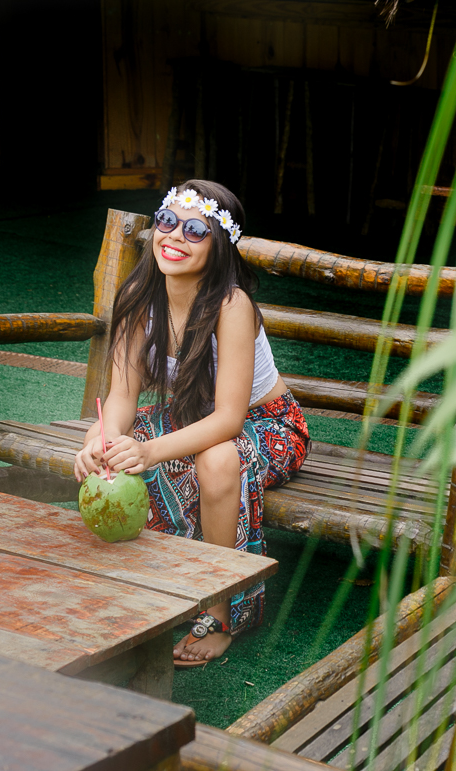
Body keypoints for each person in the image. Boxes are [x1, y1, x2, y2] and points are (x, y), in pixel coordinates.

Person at [75, 180, 309, 667]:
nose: (174, 236)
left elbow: (228, 420)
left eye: (196, 229)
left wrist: (149, 450)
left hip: (269, 425)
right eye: (167, 221)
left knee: (216, 458)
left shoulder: (231, 305)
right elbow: (121, 397)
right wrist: (100, 437)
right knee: (115, 447)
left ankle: (219, 610)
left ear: (219, 244)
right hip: (189, 418)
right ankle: (161, 581)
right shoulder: (139, 296)